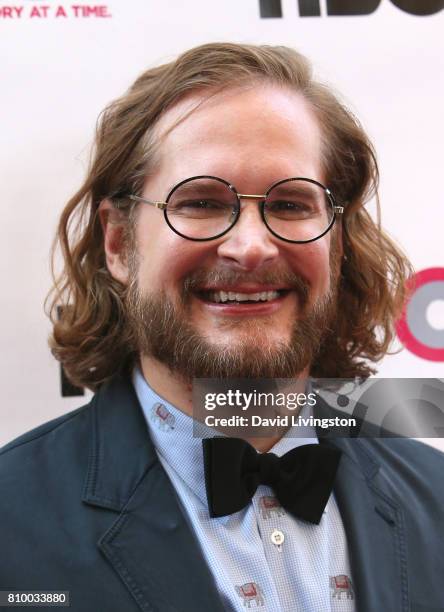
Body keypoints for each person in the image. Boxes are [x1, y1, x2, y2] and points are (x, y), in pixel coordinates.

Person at [1, 42, 443, 612]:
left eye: (289, 205)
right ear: (119, 242)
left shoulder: (435, 499)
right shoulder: (11, 521)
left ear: (336, 242)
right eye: (202, 202)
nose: (251, 246)